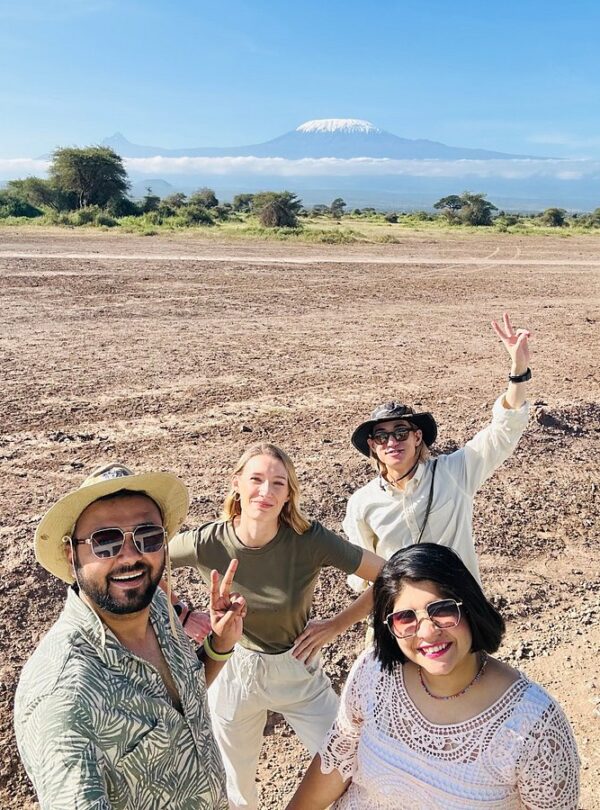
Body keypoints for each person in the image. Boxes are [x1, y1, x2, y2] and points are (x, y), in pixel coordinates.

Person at [14, 462, 246, 810]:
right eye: (105, 541)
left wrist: (219, 646)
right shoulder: (64, 698)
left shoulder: (157, 609)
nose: (131, 556)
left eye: (148, 537)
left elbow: (184, 697)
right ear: (70, 553)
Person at [168, 443, 385, 810]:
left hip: (296, 669)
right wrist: (182, 614)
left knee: (352, 764)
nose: (266, 492)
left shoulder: (308, 539)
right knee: (235, 790)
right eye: (256, 479)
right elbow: (145, 566)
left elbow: (387, 575)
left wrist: (335, 625)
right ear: (237, 483)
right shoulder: (208, 542)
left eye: (278, 484)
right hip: (232, 670)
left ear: (289, 495)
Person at [287, 543, 580, 810]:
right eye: (406, 618)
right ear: (390, 628)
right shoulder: (373, 672)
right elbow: (336, 762)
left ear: (470, 607)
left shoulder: (533, 724)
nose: (427, 632)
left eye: (441, 610)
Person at [344, 313, 532, 587]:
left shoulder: (455, 473)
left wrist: (518, 372)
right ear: (373, 446)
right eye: (382, 436)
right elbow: (362, 574)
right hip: (403, 618)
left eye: (400, 432)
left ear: (417, 437)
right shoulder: (363, 503)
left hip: (458, 610)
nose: (392, 442)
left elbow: (503, 430)